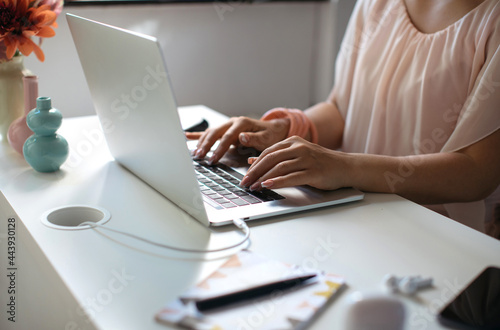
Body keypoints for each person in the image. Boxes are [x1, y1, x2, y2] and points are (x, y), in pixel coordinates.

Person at [186, 0, 500, 233]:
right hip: (355, 212)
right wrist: (282, 129)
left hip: (440, 235)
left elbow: (475, 173)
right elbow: (341, 109)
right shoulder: (376, 4)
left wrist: (346, 167)